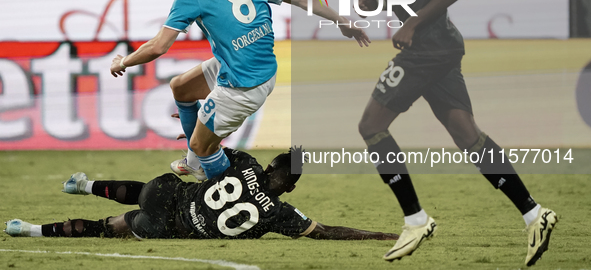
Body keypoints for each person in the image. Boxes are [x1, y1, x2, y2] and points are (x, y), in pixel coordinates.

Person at [357, 0, 557, 266]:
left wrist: (412, 26)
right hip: (441, 49)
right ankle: (535, 214)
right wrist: (383, 3)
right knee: (468, 135)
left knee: (370, 126)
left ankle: (415, 219)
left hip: (427, 51)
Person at [108, 0, 369, 182]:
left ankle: (223, 199)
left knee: (202, 144)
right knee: (181, 88)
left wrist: (124, 61)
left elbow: (158, 47)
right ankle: (193, 162)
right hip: (259, 68)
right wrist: (341, 20)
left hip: (242, 83)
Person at [4, 147, 397, 241]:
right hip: (168, 228)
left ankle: (85, 185)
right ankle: (30, 228)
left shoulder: (245, 163)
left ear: (270, 167)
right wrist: (381, 235)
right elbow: (328, 232)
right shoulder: (283, 214)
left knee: (148, 190)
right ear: (291, 185)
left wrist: (188, 139)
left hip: (165, 194)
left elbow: (206, 144)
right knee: (112, 227)